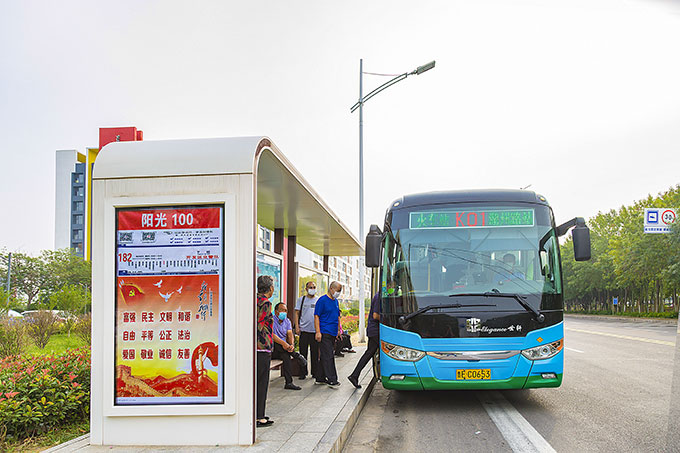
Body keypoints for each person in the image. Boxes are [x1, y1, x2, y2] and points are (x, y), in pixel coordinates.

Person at [348, 285, 382, 389]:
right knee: (373, 353)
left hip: (374, 330)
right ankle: (354, 375)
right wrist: (388, 318)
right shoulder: (379, 297)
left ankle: (355, 375)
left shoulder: (379, 296)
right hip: (375, 331)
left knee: (370, 353)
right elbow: (375, 315)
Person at [314, 281, 342, 388]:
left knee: (325, 355)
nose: (338, 293)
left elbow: (337, 316)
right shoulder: (322, 300)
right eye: (337, 291)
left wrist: (338, 330)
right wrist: (318, 332)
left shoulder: (335, 301)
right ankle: (332, 380)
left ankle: (320, 377)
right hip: (324, 331)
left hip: (333, 332)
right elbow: (316, 316)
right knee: (329, 355)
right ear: (331, 289)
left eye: (339, 291)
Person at [256, 275, 275, 427]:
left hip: (253, 348)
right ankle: (259, 416)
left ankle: (255, 413)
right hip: (262, 347)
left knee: (255, 383)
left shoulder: (253, 300)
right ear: (270, 288)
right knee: (262, 383)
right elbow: (259, 324)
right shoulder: (265, 303)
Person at [271, 302, 302, 390]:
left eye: (286, 310)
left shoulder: (287, 321)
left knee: (286, 356)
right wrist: (284, 344)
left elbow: (290, 334)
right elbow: (273, 336)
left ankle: (289, 383)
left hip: (283, 350)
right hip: (273, 349)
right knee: (279, 345)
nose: (284, 312)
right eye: (282, 310)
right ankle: (296, 355)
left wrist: (291, 345)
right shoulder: (272, 321)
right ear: (276, 311)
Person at [295, 281, 320, 380]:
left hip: (314, 331)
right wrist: (297, 327)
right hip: (304, 330)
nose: (312, 289)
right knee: (303, 352)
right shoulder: (301, 300)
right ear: (306, 289)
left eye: (314, 287)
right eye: (310, 287)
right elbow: (297, 313)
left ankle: (315, 372)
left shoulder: (318, 300)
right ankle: (303, 372)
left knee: (315, 353)